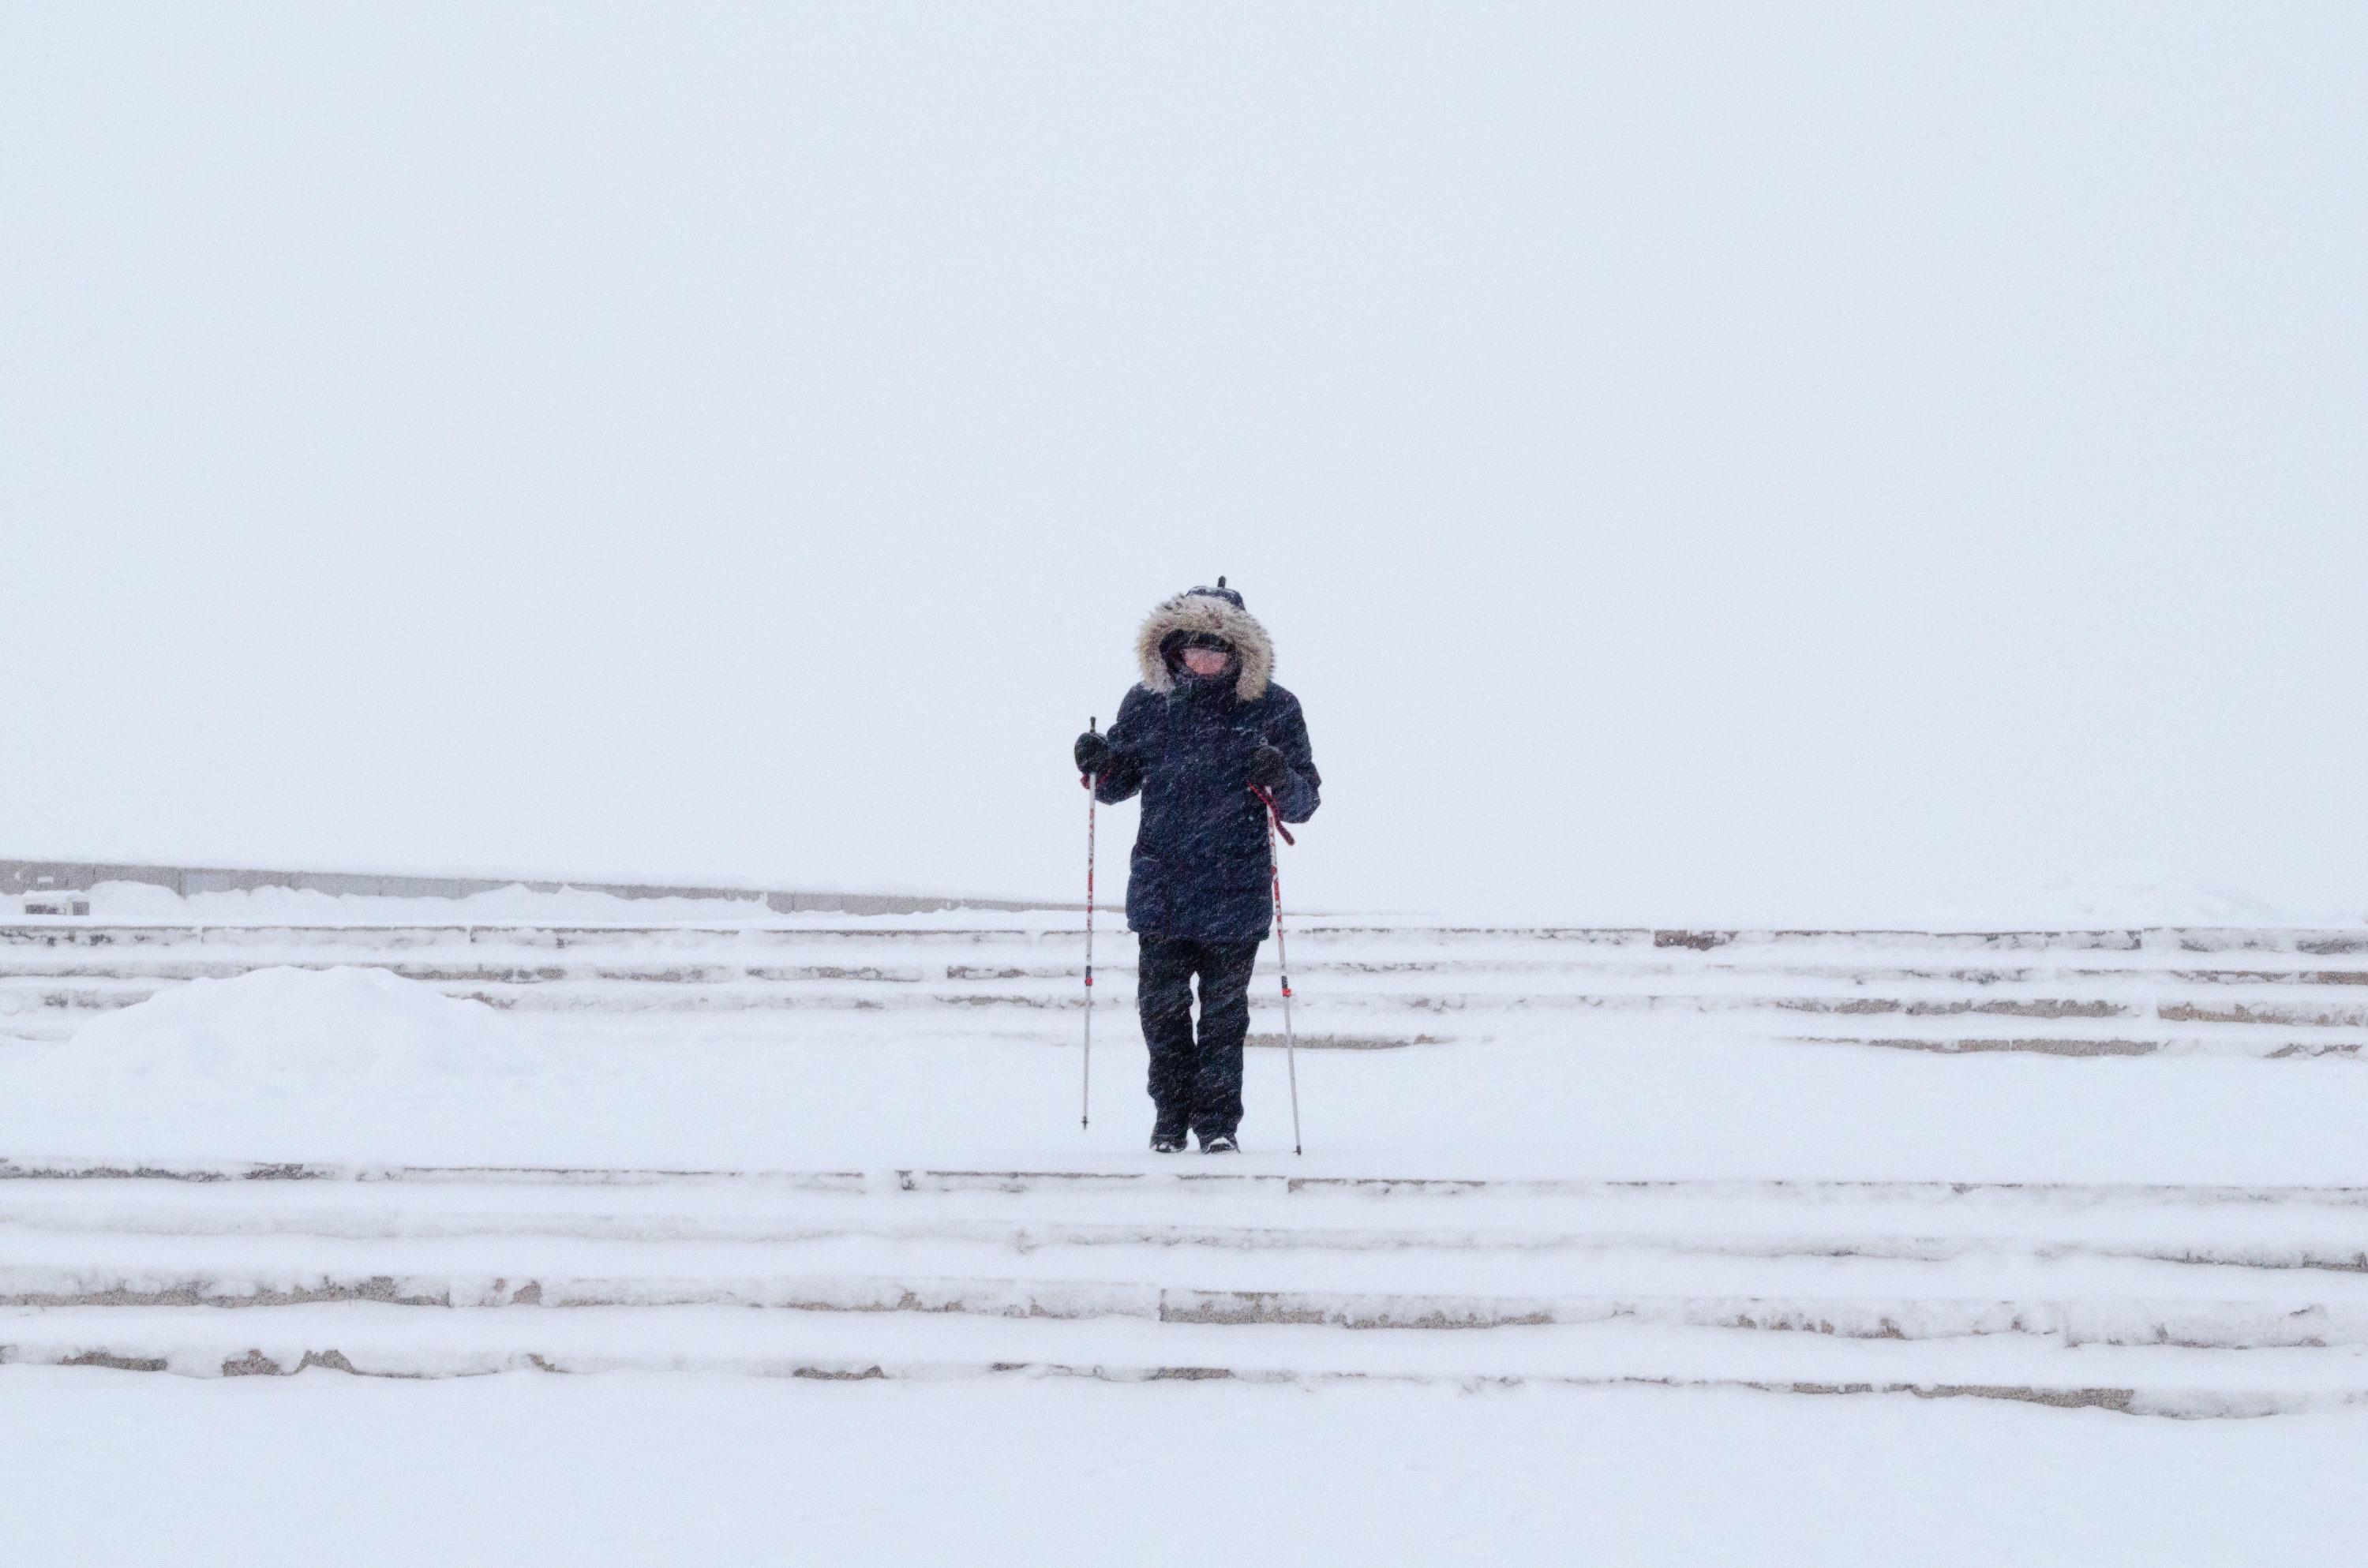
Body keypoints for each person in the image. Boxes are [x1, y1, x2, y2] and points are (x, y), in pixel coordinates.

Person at [1073, 581, 1321, 1153]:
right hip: (1162, 887)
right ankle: (1169, 1117)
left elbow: (1303, 802)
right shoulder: (1145, 704)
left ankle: (1217, 1126)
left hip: (1237, 890)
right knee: (1160, 1012)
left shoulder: (1276, 709)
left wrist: (1278, 774)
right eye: (1193, 648)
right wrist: (1099, 763)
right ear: (1172, 648)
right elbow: (1115, 786)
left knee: (1224, 1018)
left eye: (1217, 648)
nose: (1204, 659)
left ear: (1239, 652)